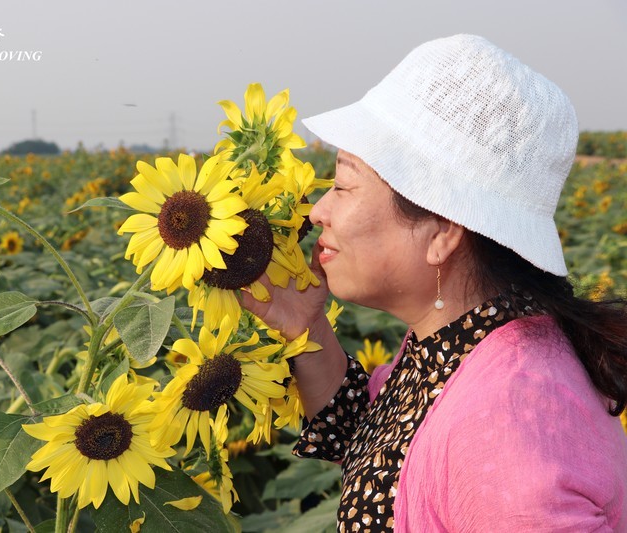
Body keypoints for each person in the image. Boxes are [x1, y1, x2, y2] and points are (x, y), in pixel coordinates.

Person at [241, 34, 627, 532]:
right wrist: (306, 328)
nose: (318, 211)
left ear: (443, 231)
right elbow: (385, 449)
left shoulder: (505, 422)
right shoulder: (466, 341)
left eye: (343, 186)